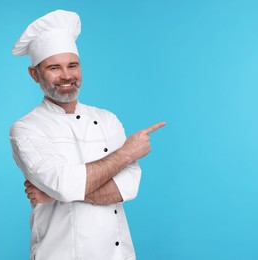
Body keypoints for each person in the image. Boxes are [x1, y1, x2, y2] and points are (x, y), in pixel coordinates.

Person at [9, 10, 165, 260]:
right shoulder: (26, 129)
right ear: (34, 74)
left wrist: (56, 193)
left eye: (73, 65)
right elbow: (64, 184)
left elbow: (127, 187)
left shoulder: (107, 120)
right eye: (54, 68)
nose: (67, 76)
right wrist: (126, 153)